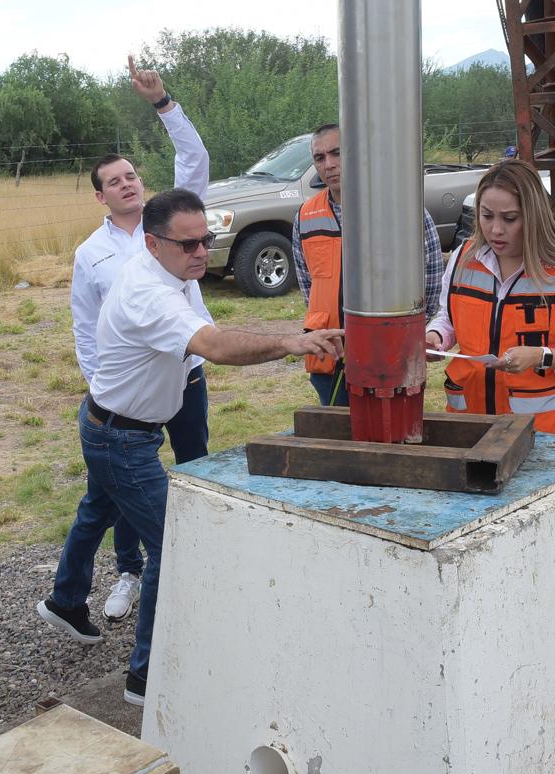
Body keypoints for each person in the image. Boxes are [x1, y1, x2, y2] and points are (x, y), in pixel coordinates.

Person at [38, 189, 344, 706]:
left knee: (99, 507)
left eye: (207, 239)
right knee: (171, 542)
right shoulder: (147, 293)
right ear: (153, 244)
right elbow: (217, 347)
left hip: (120, 426)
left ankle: (66, 601)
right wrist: (293, 342)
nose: (202, 251)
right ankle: (146, 675)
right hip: (120, 437)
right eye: (189, 244)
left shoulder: (168, 273)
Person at [69, 56, 212, 623]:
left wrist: (162, 102)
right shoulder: (93, 254)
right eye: (114, 181)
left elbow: (194, 158)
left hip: (186, 373)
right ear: (100, 197)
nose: (127, 183)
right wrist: (102, 386)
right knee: (124, 487)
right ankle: (130, 572)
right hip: (127, 392)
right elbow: (85, 325)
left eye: (131, 175)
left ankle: (188, 567)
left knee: (193, 464)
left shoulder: (171, 217)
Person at [424, 158, 555, 436]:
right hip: (468, 425)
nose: (496, 230)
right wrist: (436, 337)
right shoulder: (462, 257)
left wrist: (543, 357)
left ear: (534, 215)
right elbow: (448, 318)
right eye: (486, 216)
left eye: (509, 219)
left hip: (543, 434)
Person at [293, 123, 445, 406]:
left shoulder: (402, 209)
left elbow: (432, 277)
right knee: (338, 441)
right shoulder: (306, 217)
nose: (329, 164)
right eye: (320, 158)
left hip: (388, 357)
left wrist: (414, 335)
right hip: (331, 358)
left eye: (337, 153)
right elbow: (309, 286)